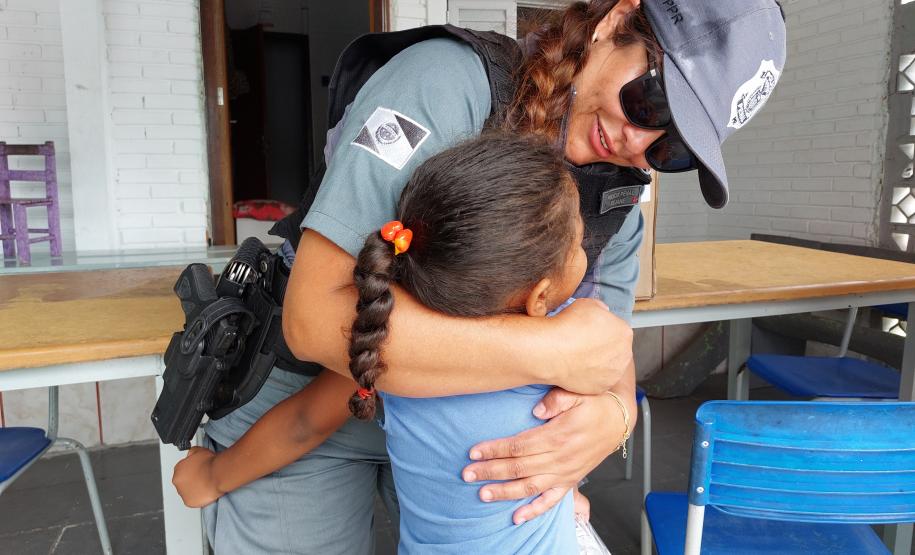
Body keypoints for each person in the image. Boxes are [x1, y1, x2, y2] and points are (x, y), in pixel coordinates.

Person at [172, 1, 787, 553]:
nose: (637, 141)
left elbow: (605, 356)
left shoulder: (618, 199)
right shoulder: (444, 83)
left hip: (469, 447)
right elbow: (313, 322)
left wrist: (608, 422)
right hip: (314, 389)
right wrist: (551, 349)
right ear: (615, 20)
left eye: (672, 148)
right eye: (651, 103)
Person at [347, 131, 602, 553]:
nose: (584, 250)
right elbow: (608, 350)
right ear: (539, 298)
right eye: (578, 244)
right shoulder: (566, 343)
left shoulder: (387, 349)